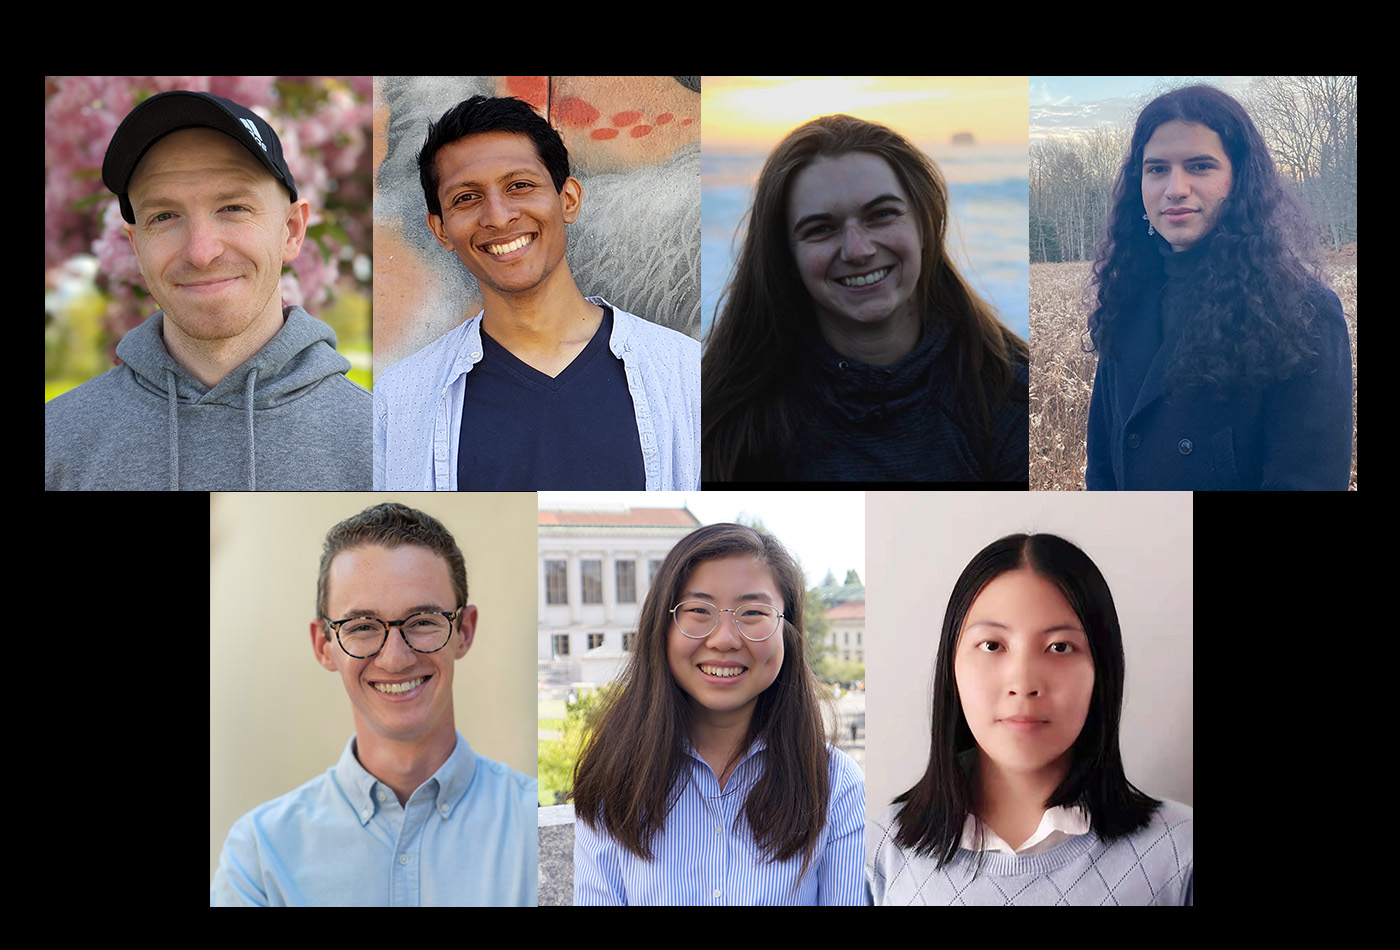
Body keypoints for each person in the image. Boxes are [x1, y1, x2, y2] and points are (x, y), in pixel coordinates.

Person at [209, 502, 536, 906]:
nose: (395, 658)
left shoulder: (531, 822)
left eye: (422, 621)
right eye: (362, 627)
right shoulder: (259, 856)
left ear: (464, 632)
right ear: (323, 646)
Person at [45, 90, 371, 490]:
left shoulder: (390, 445)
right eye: (164, 216)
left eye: (233, 207)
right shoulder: (55, 441)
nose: (201, 253)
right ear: (136, 247)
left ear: (291, 231)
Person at [374, 95, 700, 490]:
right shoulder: (400, 401)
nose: (497, 216)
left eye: (520, 186)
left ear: (568, 199)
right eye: (466, 198)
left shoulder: (685, 375)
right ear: (441, 229)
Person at [867, 533, 1193, 905]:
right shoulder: (878, 853)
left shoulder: (1180, 853)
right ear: (951, 666)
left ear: (1101, 670)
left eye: (1059, 647)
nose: (1023, 683)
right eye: (992, 645)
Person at [703, 114, 1028, 483]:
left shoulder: (1010, 397)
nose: (858, 250)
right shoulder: (727, 418)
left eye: (881, 215)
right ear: (786, 257)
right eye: (821, 229)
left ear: (924, 224)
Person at [571, 522, 864, 905]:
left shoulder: (837, 787)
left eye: (754, 612)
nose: (724, 638)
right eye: (698, 610)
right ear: (662, 625)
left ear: (788, 630)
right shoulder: (613, 780)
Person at [1085, 84, 1352, 490]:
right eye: (1157, 168)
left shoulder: (1304, 311)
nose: (1175, 188)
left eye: (1199, 166)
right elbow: (1103, 468)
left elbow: (1305, 482)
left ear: (1240, 179)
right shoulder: (1125, 298)